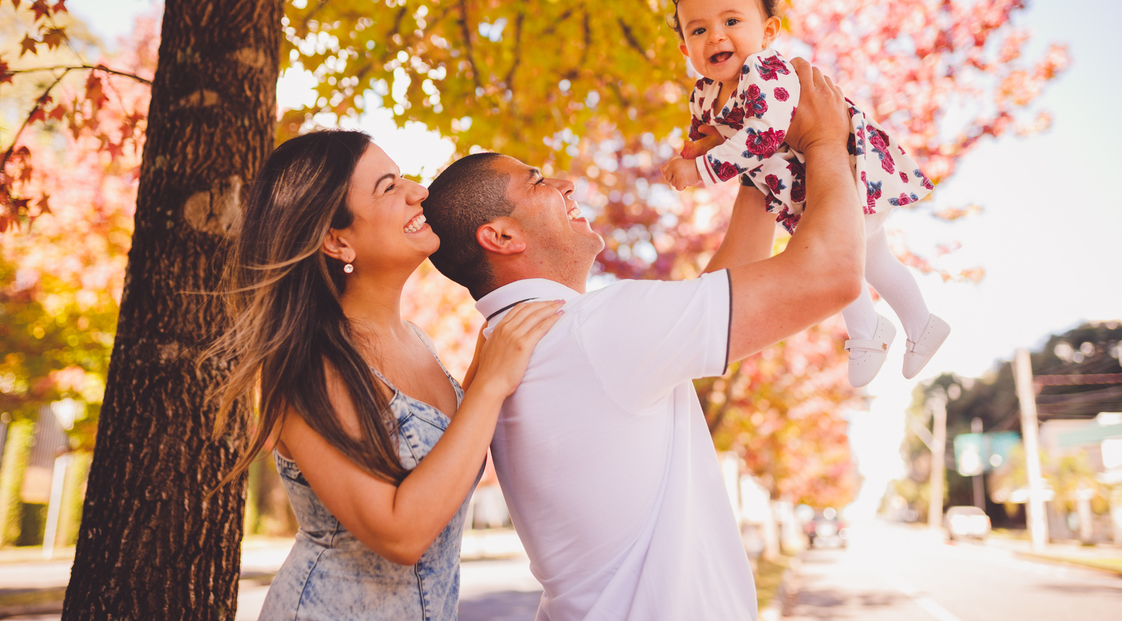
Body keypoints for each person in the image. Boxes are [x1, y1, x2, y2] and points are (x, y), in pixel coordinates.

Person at [422, 61, 864, 620]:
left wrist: (760, 157)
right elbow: (834, 273)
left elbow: (725, 290)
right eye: (536, 181)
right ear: (501, 236)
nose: (565, 183)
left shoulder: (524, 341)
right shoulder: (586, 331)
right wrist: (826, 139)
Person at [207, 129, 563, 621]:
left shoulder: (416, 340)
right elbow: (401, 534)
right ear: (336, 239)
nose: (419, 192)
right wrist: (493, 381)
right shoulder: (310, 367)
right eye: (389, 186)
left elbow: (453, 451)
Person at [660, 0, 949, 387]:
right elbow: (716, 129)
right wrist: (700, 145)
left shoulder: (767, 71)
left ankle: (876, 330)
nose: (715, 36)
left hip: (845, 171)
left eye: (731, 21)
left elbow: (763, 137)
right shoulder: (703, 93)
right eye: (697, 31)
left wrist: (699, 170)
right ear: (685, 51)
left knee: (846, 253)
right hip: (803, 185)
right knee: (863, 255)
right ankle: (913, 325)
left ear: (768, 32)